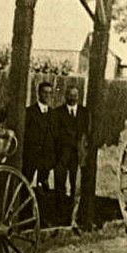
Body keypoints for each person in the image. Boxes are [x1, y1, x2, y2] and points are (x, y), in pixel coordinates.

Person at [53, 86, 88, 221]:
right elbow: (56, 133)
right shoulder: (58, 113)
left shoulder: (84, 113)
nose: (73, 98)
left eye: (75, 95)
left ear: (78, 97)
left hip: (77, 154)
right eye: (70, 95)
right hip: (62, 154)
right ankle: (59, 213)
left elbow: (86, 133)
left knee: (76, 184)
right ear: (65, 96)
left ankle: (74, 214)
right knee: (60, 183)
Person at [23, 82, 56, 192]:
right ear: (39, 94)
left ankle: (40, 207)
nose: (47, 95)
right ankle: (24, 208)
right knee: (25, 184)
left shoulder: (53, 114)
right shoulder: (29, 112)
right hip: (31, 155)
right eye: (44, 92)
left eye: (49, 93)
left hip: (46, 157)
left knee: (43, 187)